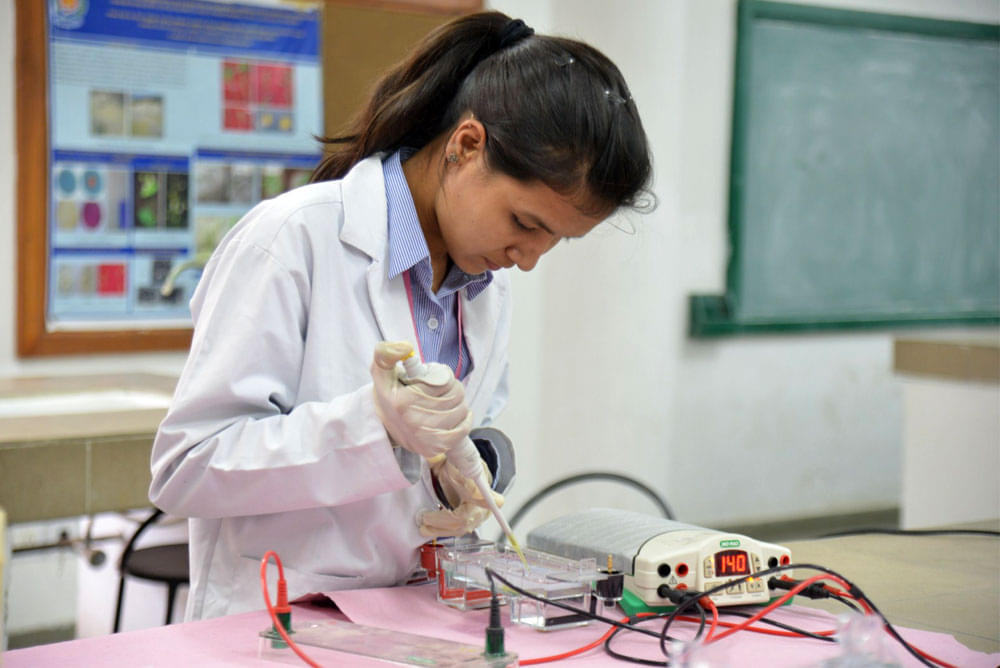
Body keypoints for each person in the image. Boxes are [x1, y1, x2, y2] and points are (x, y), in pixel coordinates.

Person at [149, 10, 652, 621]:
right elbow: (188, 468)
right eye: (526, 223)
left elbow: (467, 428)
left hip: (410, 617)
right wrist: (372, 426)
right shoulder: (291, 240)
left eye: (555, 241)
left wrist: (470, 467)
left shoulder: (482, 284)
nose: (528, 261)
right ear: (467, 146)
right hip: (278, 618)